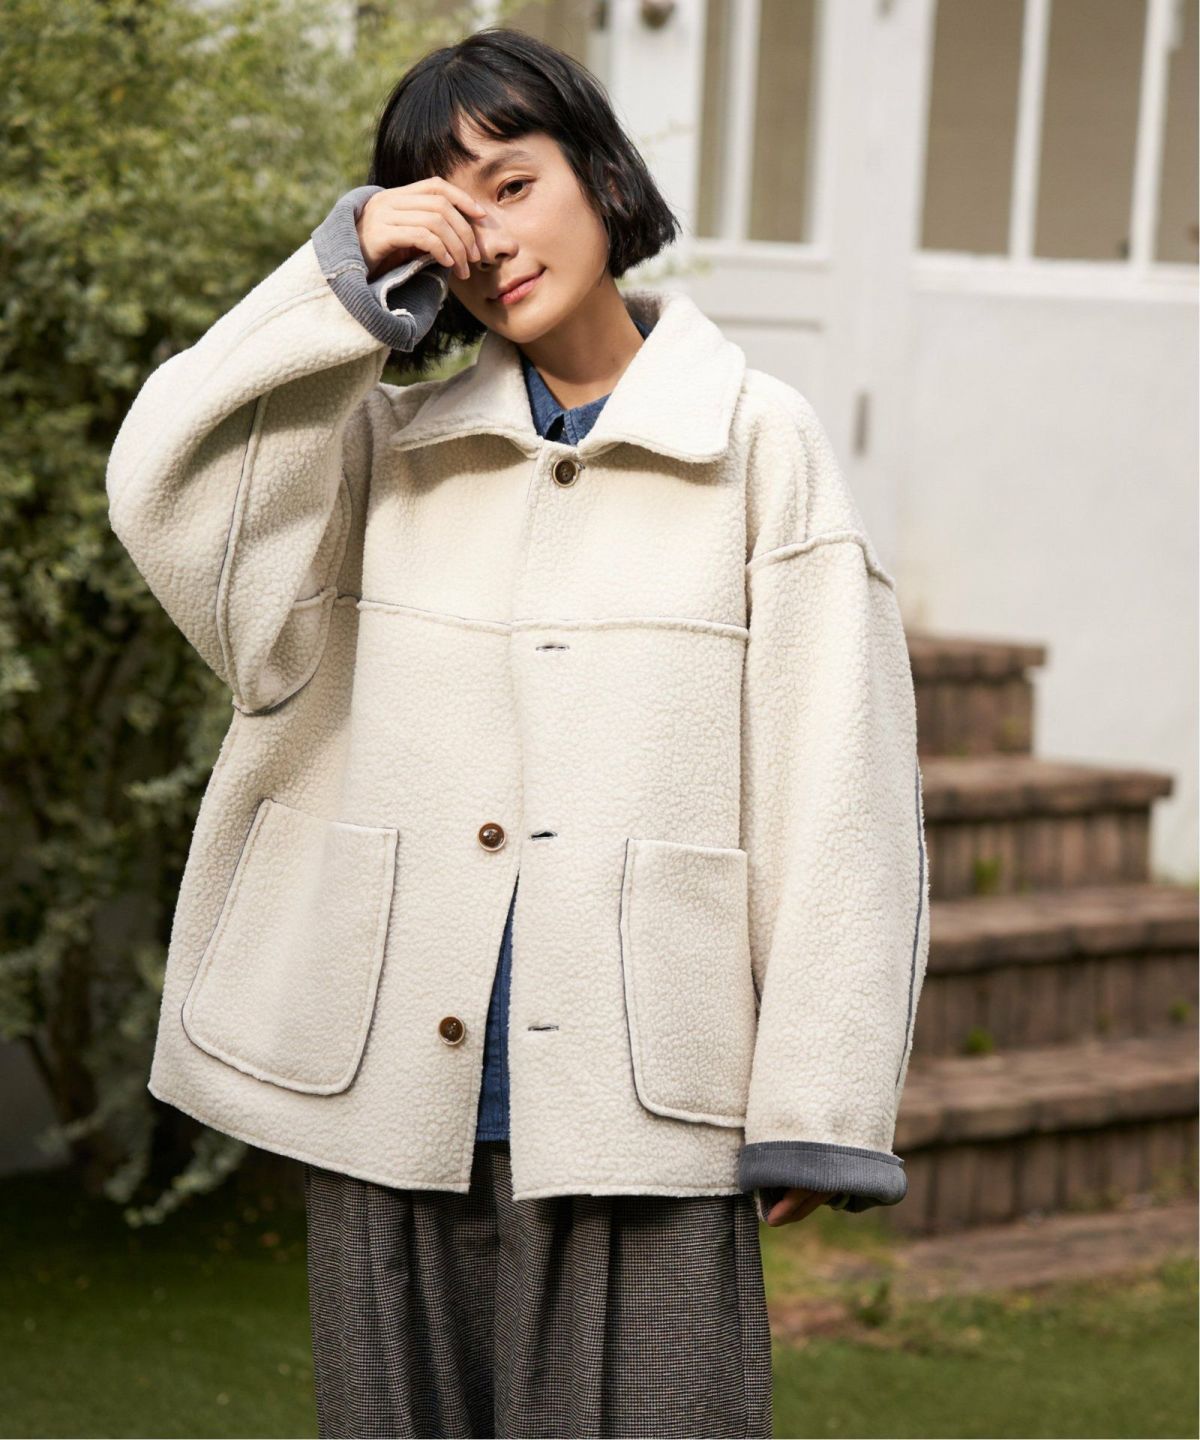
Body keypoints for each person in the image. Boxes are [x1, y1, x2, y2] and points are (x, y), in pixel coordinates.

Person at [106, 24, 929, 1440]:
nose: (487, 239)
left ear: (600, 178)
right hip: (389, 1093)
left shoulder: (757, 442)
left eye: (511, 183)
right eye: (447, 208)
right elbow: (167, 492)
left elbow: (837, 776)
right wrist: (340, 275)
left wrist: (819, 1090)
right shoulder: (381, 448)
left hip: (648, 1094)